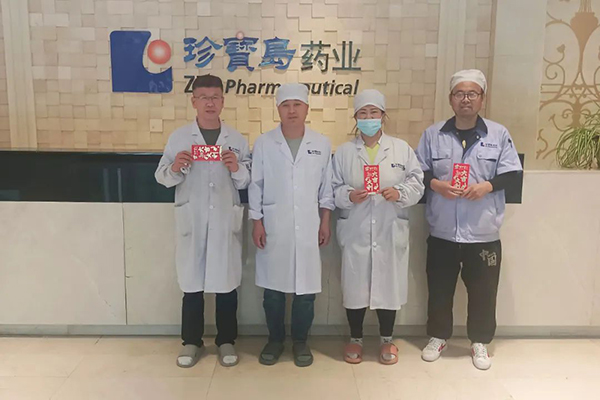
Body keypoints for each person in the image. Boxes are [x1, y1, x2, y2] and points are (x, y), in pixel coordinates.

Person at [415, 69, 522, 370]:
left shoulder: (498, 135)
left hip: (483, 231)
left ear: (482, 99)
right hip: (443, 230)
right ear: (451, 99)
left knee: (483, 292)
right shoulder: (433, 134)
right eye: (460, 94)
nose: (465, 99)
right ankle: (438, 337)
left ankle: (480, 342)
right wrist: (436, 185)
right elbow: (418, 171)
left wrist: (486, 186)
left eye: (472, 93)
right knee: (439, 288)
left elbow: (512, 174)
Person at [155, 74, 251, 368]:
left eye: (215, 98)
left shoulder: (236, 139)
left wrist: (236, 168)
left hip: (224, 219)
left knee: (226, 284)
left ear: (223, 101)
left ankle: (226, 341)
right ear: (194, 101)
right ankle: (191, 342)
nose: (210, 103)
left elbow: (247, 179)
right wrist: (175, 166)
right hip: (193, 219)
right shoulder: (180, 138)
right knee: (192, 283)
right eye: (204, 98)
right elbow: (162, 177)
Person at [332, 89, 424, 365]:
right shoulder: (345, 152)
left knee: (388, 285)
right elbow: (332, 187)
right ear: (356, 118)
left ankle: (387, 339)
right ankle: (355, 338)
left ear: (383, 116)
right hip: (356, 228)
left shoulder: (401, 149)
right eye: (363, 113)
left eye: (374, 112)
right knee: (355, 286)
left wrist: (400, 193)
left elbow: (417, 182)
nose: (369, 118)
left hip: (389, 227)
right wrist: (348, 195)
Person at [248, 83, 334, 367]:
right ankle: (274, 340)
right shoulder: (264, 143)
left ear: (307, 108)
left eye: (297, 105)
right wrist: (257, 222)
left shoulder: (321, 143)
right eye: (286, 105)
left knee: (305, 292)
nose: (292, 110)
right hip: (274, 225)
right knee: (273, 292)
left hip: (309, 225)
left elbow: (326, 188)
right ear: (278, 109)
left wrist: (325, 221)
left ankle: (300, 342)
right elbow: (256, 184)